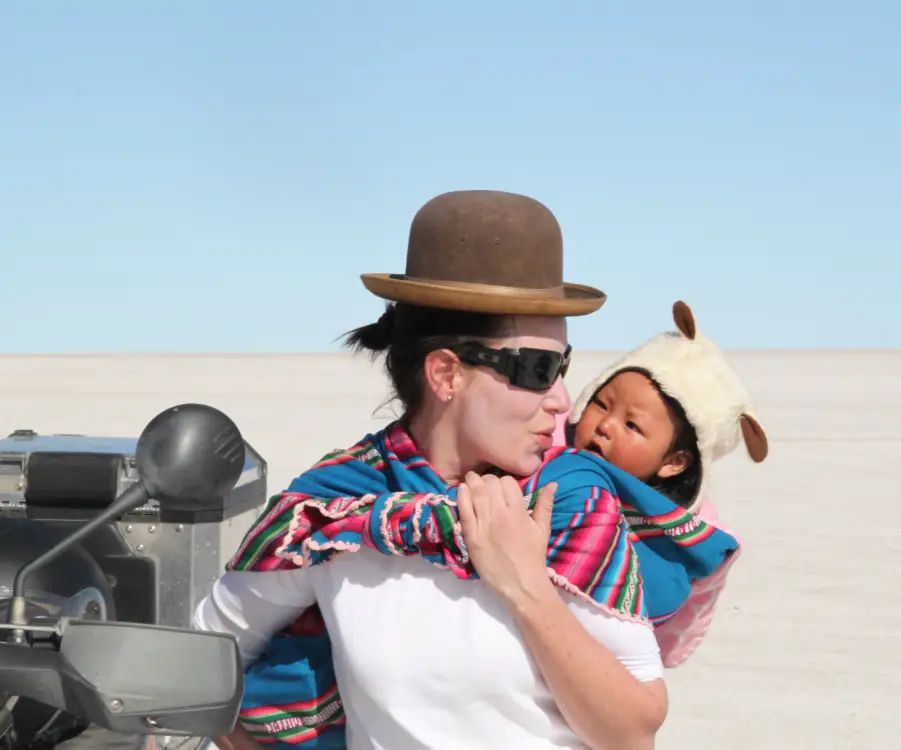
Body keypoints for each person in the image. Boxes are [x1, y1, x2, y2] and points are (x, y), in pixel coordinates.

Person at [192, 190, 740, 750]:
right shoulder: (332, 510)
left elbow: (632, 733)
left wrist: (525, 587)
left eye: (564, 367)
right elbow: (206, 662)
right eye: (537, 369)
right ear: (447, 375)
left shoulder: (571, 500)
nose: (562, 400)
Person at [560, 297, 768, 664]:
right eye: (602, 404)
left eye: (632, 425)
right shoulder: (544, 451)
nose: (605, 426)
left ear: (674, 462)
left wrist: (663, 653)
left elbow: (687, 614)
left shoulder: (688, 538)